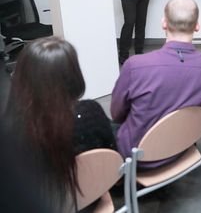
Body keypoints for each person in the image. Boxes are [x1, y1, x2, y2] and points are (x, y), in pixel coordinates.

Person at [2, 36, 116, 211]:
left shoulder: (10, 135)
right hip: (90, 201)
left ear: (21, 76)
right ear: (73, 74)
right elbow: (112, 154)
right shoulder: (91, 113)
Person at [111, 0, 201, 168]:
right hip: (182, 148)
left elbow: (116, 113)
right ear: (197, 26)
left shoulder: (135, 66)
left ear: (164, 23)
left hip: (139, 157)